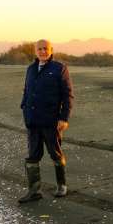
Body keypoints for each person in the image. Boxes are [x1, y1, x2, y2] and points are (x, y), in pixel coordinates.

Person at [19, 39, 74, 203]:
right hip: (32, 121)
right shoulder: (30, 69)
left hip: (51, 121)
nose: (42, 51)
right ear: (35, 51)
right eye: (39, 49)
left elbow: (68, 95)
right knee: (32, 156)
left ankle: (61, 185)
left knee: (55, 153)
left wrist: (64, 118)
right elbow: (26, 91)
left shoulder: (59, 69)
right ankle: (34, 191)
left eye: (45, 49)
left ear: (51, 50)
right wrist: (24, 107)